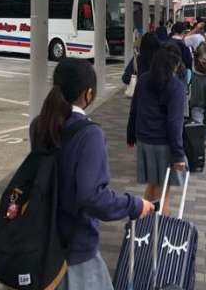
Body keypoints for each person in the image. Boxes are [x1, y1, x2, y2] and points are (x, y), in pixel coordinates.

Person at [30, 58, 154, 290]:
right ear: (88, 94)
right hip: (74, 249)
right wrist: (134, 205)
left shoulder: (39, 124)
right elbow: (92, 197)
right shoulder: (89, 134)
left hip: (41, 235)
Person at [127, 48, 187, 215]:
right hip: (163, 144)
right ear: (174, 66)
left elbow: (134, 109)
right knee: (163, 191)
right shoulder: (176, 87)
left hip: (144, 140)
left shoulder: (144, 79)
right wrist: (178, 155)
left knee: (153, 184)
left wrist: (130, 135)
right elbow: (174, 123)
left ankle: (140, 222)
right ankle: (158, 227)